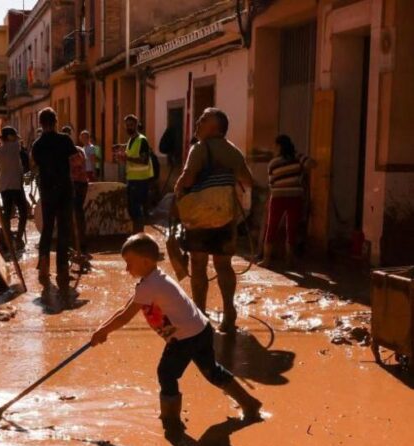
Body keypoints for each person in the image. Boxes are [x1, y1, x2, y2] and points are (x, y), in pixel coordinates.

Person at [89, 233, 263, 430]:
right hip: (200, 329)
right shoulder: (155, 278)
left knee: (166, 373)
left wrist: (103, 332)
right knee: (212, 370)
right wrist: (102, 330)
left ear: (146, 262)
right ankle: (249, 403)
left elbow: (126, 316)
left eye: (130, 262)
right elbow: (125, 309)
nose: (127, 268)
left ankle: (171, 420)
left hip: (184, 338)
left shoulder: (150, 286)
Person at [174, 108, 253, 333]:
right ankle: (229, 314)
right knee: (224, 265)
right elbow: (247, 181)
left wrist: (177, 191)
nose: (197, 123)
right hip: (226, 216)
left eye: (203, 119)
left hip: (199, 218)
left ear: (215, 127)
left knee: (198, 265)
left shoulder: (199, 149)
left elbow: (188, 178)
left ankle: (199, 314)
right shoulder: (233, 151)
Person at [32, 108, 78, 288]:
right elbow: (75, 161)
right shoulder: (65, 140)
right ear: (56, 121)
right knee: (64, 230)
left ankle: (44, 267)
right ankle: (62, 269)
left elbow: (33, 164)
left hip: (47, 190)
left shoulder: (37, 144)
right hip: (64, 189)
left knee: (48, 228)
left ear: (40, 123)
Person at [260, 134, 316, 268]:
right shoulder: (298, 157)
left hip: (277, 197)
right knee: (291, 228)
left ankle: (266, 260)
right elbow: (313, 164)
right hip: (295, 196)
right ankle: (289, 260)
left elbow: (271, 183)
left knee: (271, 227)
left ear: (279, 146)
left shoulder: (273, 163)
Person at [123, 115, 158, 233]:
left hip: (140, 181)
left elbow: (144, 160)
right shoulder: (131, 140)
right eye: (127, 125)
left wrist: (126, 158)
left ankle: (139, 237)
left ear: (136, 125)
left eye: (131, 125)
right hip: (132, 179)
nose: (129, 127)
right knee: (132, 210)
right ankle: (136, 236)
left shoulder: (142, 140)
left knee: (137, 211)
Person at [0, 126, 28, 247]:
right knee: (23, 211)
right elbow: (18, 142)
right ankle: (18, 238)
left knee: (7, 213)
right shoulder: (15, 146)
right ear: (9, 137)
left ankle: (6, 238)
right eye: (14, 136)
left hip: (4, 185)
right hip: (15, 185)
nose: (16, 138)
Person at [63, 126, 89, 255]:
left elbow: (78, 164)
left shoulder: (77, 151)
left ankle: (80, 244)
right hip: (73, 183)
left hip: (78, 184)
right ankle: (75, 243)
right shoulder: (67, 151)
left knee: (77, 212)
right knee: (72, 213)